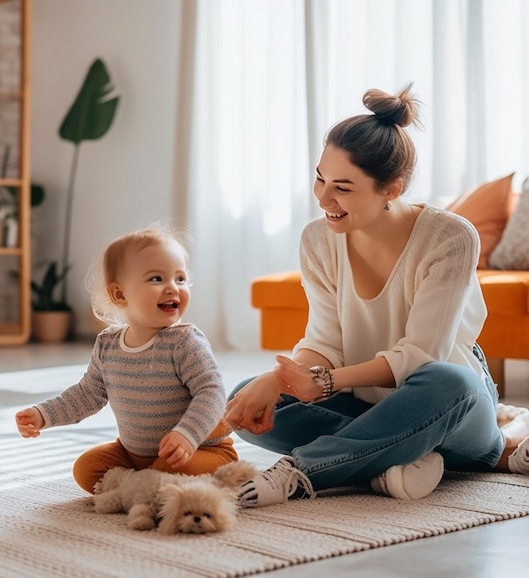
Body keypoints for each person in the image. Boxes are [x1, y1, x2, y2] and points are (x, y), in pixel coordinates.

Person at [224, 85, 529, 508]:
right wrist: (278, 380)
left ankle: (303, 471)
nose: (323, 198)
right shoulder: (317, 239)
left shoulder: (450, 237)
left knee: (448, 380)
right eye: (320, 177)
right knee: (247, 395)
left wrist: (325, 382)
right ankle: (393, 457)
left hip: (451, 406)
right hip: (369, 411)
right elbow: (325, 342)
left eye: (343, 188)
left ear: (391, 189)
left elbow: (421, 356)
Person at [16, 226, 237, 493]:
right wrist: (44, 415)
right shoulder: (108, 345)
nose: (172, 288)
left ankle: (150, 484)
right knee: (86, 469)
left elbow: (211, 393)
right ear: (120, 294)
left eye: (180, 278)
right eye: (157, 279)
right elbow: (87, 394)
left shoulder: (184, 342)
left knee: (170, 469)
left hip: (198, 449)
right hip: (134, 455)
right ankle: (145, 483)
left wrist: (187, 435)